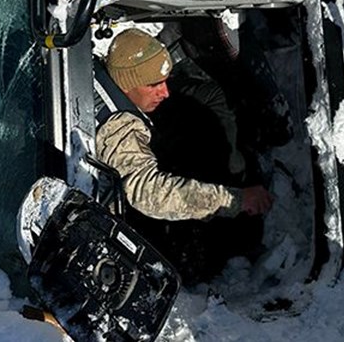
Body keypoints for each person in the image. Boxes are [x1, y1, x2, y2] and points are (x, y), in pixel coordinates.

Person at [96, 28, 274, 283]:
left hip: (140, 130)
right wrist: (234, 200)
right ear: (128, 85)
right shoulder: (120, 128)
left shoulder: (98, 72)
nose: (165, 92)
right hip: (130, 216)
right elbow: (148, 192)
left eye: (165, 81)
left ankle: (233, 171)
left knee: (210, 96)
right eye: (155, 85)